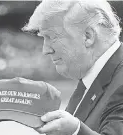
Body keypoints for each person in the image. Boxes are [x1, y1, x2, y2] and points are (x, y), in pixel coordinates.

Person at [22, 0, 123, 135]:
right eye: (43, 38)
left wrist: (75, 131)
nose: (45, 50)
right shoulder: (93, 75)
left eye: (51, 37)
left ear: (88, 36)